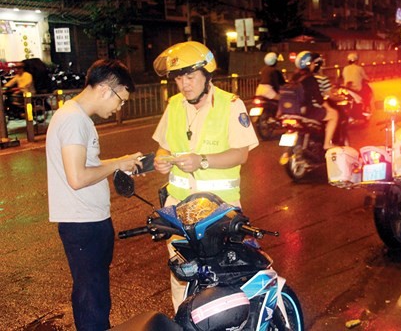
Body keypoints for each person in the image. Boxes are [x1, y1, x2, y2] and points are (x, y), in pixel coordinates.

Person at [151, 41, 259, 312]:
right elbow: (163, 144)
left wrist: (204, 160)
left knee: (223, 277)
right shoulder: (174, 105)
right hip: (179, 209)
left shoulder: (231, 104)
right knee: (182, 273)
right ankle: (184, 321)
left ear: (207, 75)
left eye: (190, 76)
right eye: (178, 78)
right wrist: (161, 158)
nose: (184, 84)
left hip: (219, 209)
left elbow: (241, 154)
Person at [46, 59, 142, 331]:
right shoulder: (74, 120)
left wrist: (120, 162)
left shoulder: (76, 117)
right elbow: (77, 178)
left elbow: (83, 166)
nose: (119, 107)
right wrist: (115, 164)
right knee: (92, 298)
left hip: (89, 220)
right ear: (105, 89)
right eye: (120, 100)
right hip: (83, 223)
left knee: (94, 292)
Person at [293, 51, 338, 150]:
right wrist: (329, 109)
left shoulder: (294, 77)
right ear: (309, 64)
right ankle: (327, 144)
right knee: (334, 115)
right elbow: (319, 99)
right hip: (307, 111)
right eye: (312, 63)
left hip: (293, 111)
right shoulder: (310, 78)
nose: (314, 65)